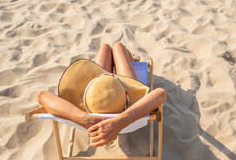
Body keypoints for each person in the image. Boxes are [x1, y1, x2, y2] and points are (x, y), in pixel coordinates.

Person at [36, 42, 166, 147]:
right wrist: (119, 122)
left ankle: (111, 67)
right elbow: (160, 93)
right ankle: (130, 59)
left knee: (105, 47)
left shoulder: (87, 114)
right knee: (118, 47)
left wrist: (85, 119)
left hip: (96, 93)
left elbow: (42, 95)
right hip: (122, 91)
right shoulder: (135, 107)